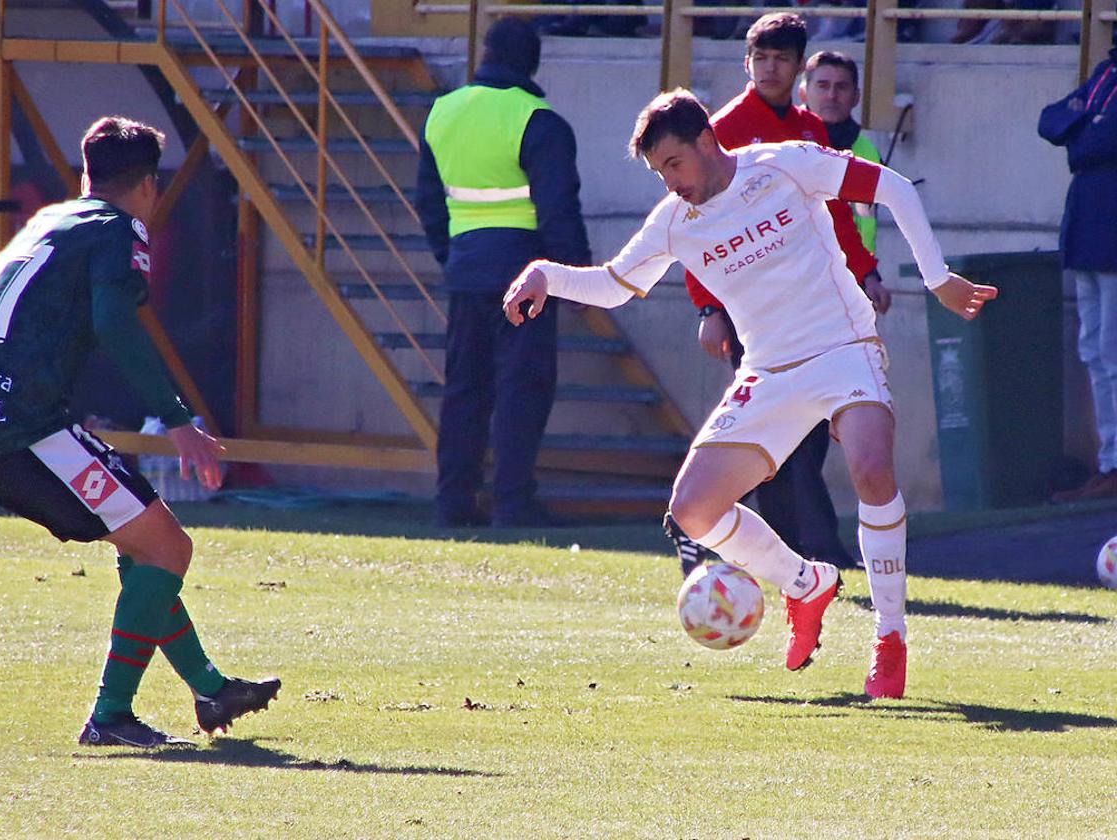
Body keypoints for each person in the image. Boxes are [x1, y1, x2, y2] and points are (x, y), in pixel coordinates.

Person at [502, 89, 997, 698]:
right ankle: (804, 584)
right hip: (768, 371)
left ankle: (889, 636)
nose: (671, 184)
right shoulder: (673, 221)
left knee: (871, 466)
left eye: (674, 166)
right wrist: (546, 275)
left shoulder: (782, 164)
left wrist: (938, 278)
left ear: (706, 140)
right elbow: (613, 286)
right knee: (693, 509)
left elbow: (893, 186)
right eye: (659, 174)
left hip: (844, 348)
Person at [0, 116, 280, 747]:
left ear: (86, 175)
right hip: (30, 428)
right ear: (149, 185)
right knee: (168, 549)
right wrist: (176, 419)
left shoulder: (43, 227)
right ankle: (111, 717)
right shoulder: (119, 228)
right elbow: (116, 321)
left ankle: (211, 690)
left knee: (145, 547)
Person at [665, 14, 886, 577]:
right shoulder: (726, 127)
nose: (770, 68)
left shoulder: (812, 129)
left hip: (816, 311)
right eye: (761, 58)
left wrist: (865, 272)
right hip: (754, 312)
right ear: (747, 63)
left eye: (781, 59)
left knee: (808, 440)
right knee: (773, 443)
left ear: (798, 68)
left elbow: (834, 216)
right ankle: (809, 555)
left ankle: (802, 556)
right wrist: (709, 308)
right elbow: (693, 219)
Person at [416, 17, 591, 527]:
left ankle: (453, 502)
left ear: (485, 54)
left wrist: (453, 259)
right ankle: (512, 504)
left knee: (465, 390)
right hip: (528, 274)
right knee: (522, 388)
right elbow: (559, 208)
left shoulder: (442, 113)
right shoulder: (539, 119)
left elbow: (429, 202)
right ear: (532, 61)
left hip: (467, 269)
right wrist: (576, 278)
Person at [1040, 47, 1117, 502]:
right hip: (1086, 229)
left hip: (1110, 233)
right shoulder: (1106, 72)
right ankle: (1108, 461)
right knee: (1093, 350)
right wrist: (1087, 126)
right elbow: (1049, 121)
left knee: (1112, 351)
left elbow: (1099, 142)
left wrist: (1082, 126)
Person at [800, 51, 886, 258]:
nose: (832, 95)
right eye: (822, 86)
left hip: (854, 274)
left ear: (856, 97)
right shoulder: (785, 142)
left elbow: (866, 221)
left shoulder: (868, 152)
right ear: (803, 93)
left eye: (841, 87)